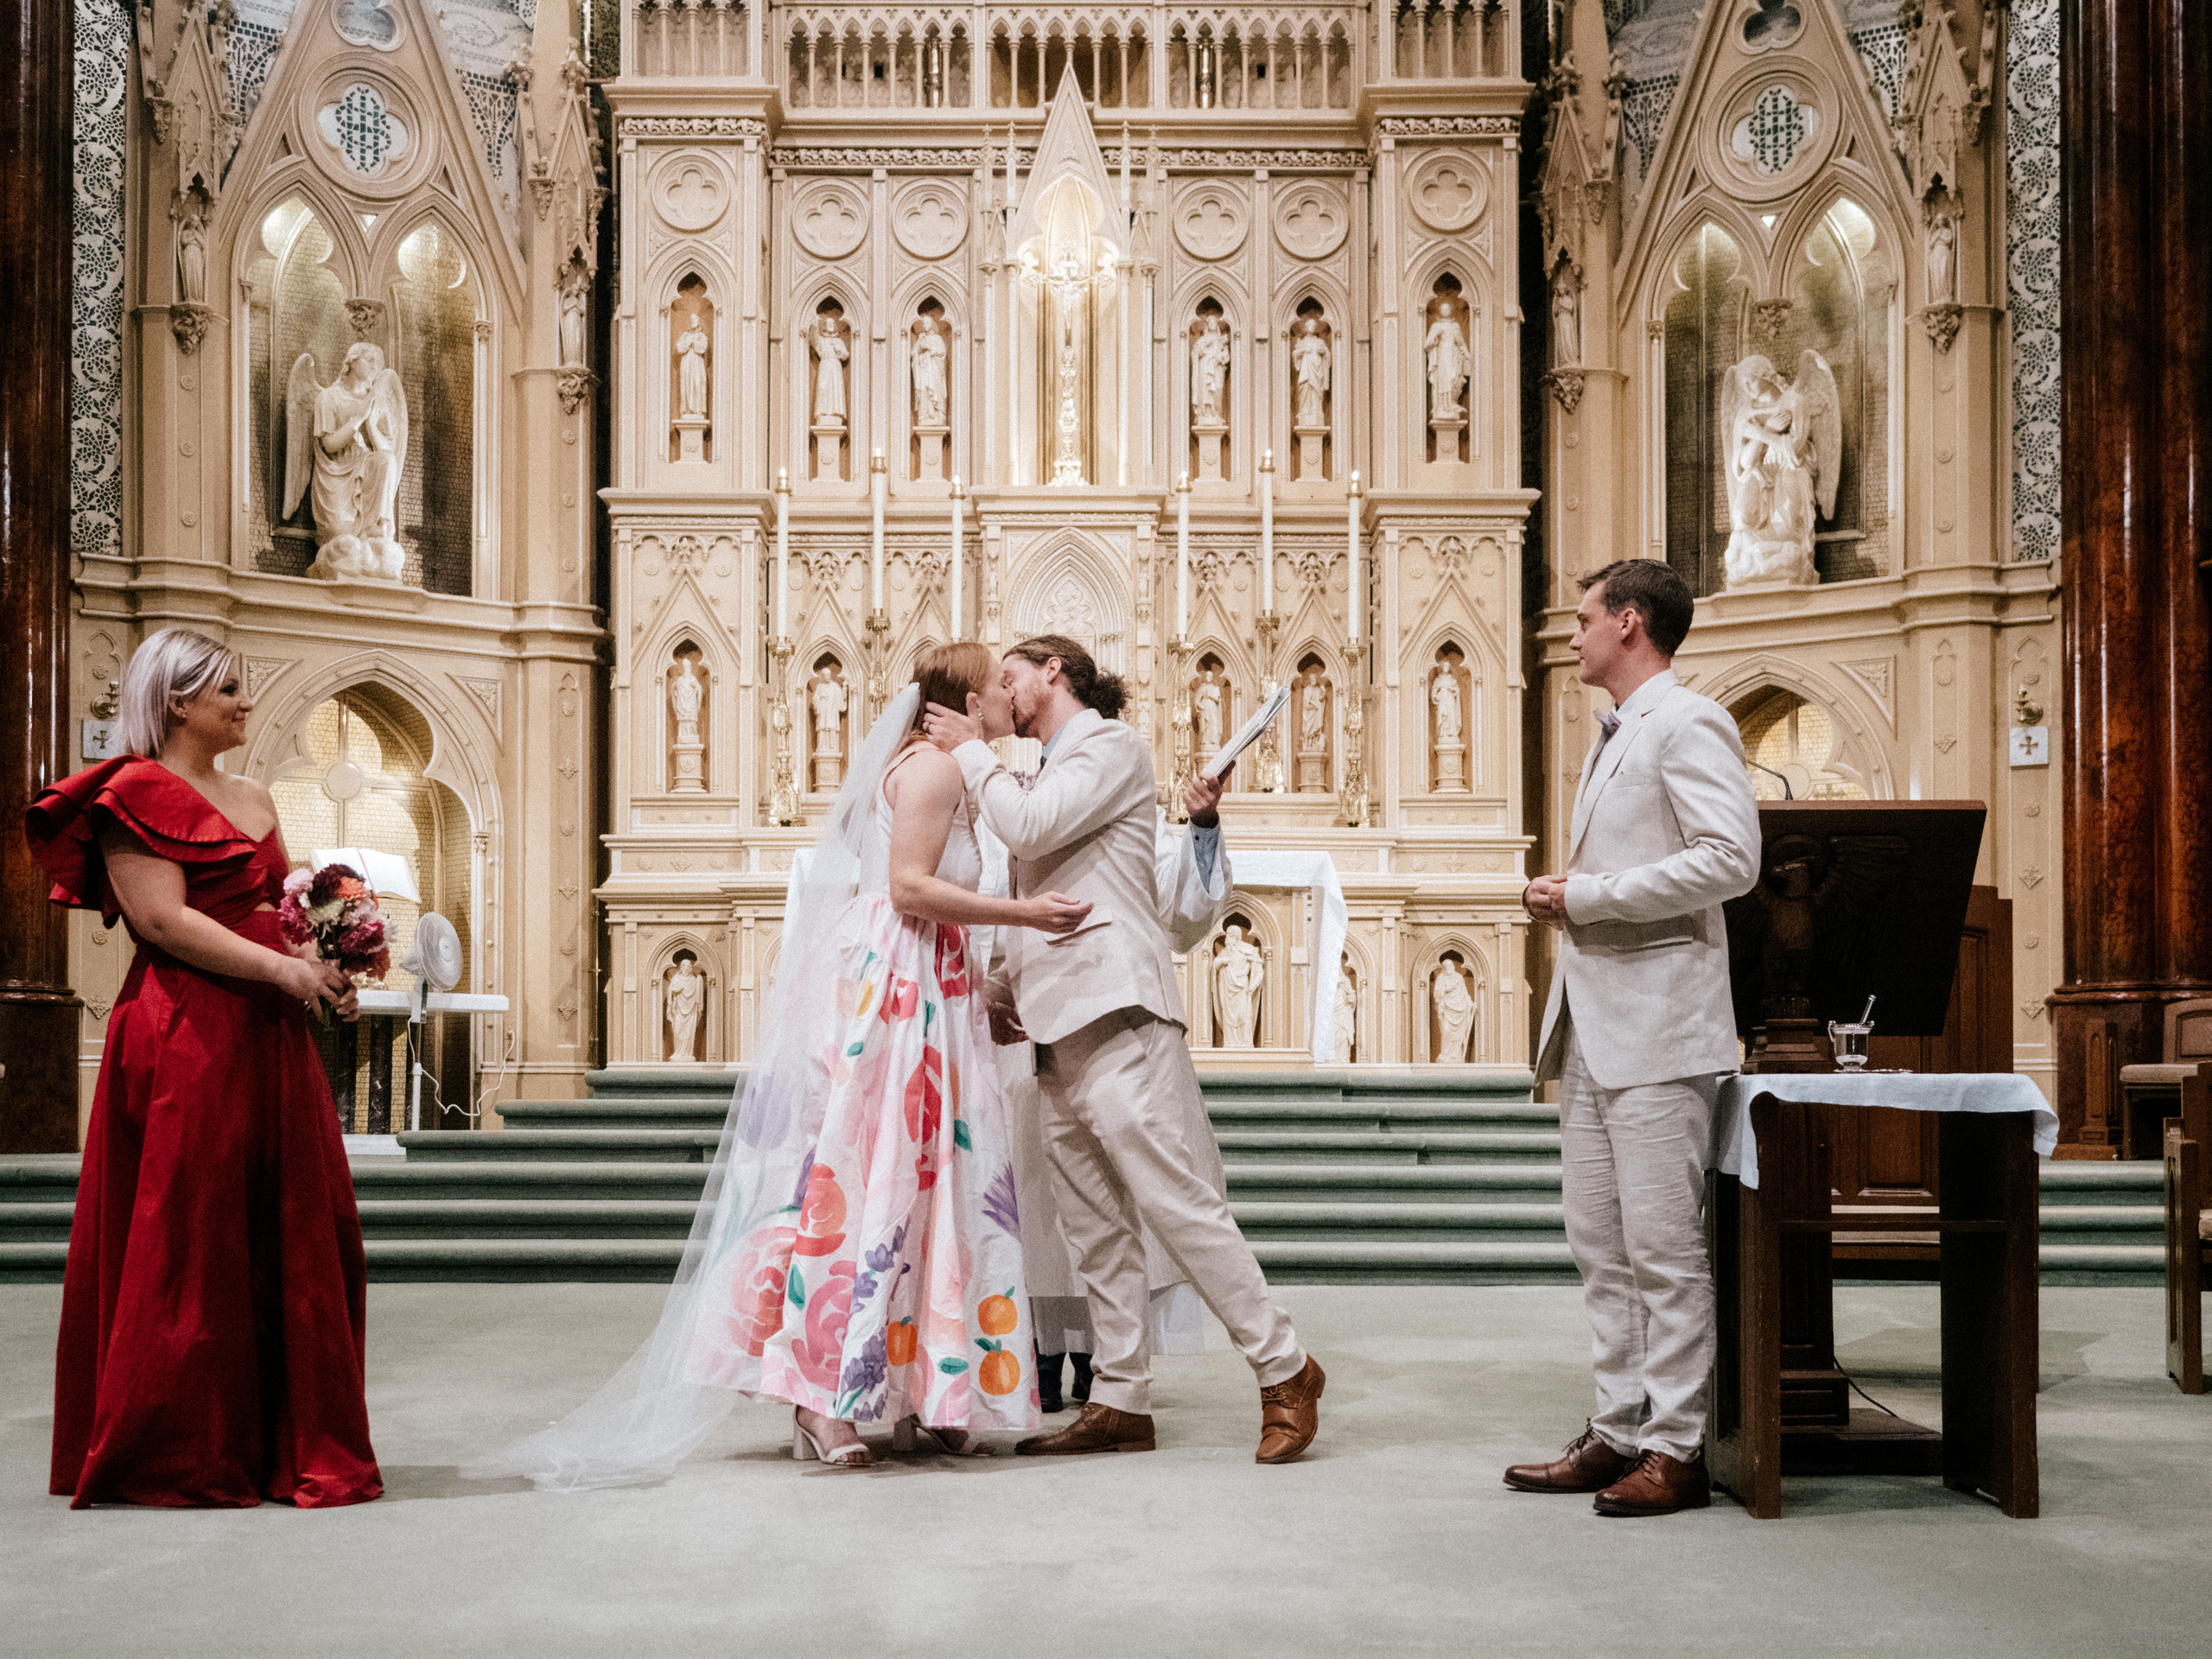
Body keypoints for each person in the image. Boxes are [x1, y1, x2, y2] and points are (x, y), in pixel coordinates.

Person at [473, 644, 1087, 1485]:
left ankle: (919, 1389)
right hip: (901, 987)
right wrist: (1022, 914)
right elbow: (908, 888)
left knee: (925, 1186)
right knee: (876, 1181)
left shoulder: (939, 769)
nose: (1006, 706)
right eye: (994, 693)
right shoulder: (936, 771)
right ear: (963, 704)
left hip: (921, 981)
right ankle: (823, 1395)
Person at [922, 635, 1325, 1464]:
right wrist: (1001, 989)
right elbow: (1026, 887)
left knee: (1175, 1201)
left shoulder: (1108, 746)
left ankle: (1286, 1366)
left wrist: (968, 757)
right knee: (1092, 1224)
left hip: (1115, 1009)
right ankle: (1120, 1397)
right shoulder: (1034, 770)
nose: (998, 694)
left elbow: (1034, 829)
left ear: (1054, 672)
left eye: (1010, 677)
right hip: (1051, 1021)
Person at [23, 628, 381, 1510]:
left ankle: (281, 1440)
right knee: (192, 1232)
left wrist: (328, 969)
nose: (245, 701)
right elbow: (164, 923)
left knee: (296, 1231)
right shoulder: (131, 793)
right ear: (178, 701)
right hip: (186, 1035)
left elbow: (272, 912)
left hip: (269, 1037)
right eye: (227, 687)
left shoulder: (256, 795)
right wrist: (286, 971)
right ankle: (182, 1448)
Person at [1508, 560, 1760, 1518]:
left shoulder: (1688, 719)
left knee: (1663, 1249)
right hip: (1596, 1024)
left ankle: (1676, 1446)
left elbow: (1731, 860)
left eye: (1581, 620)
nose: (1569, 636)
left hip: (1660, 1026)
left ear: (1628, 622)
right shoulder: (1613, 733)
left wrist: (1585, 897)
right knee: (1600, 1247)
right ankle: (1616, 1427)